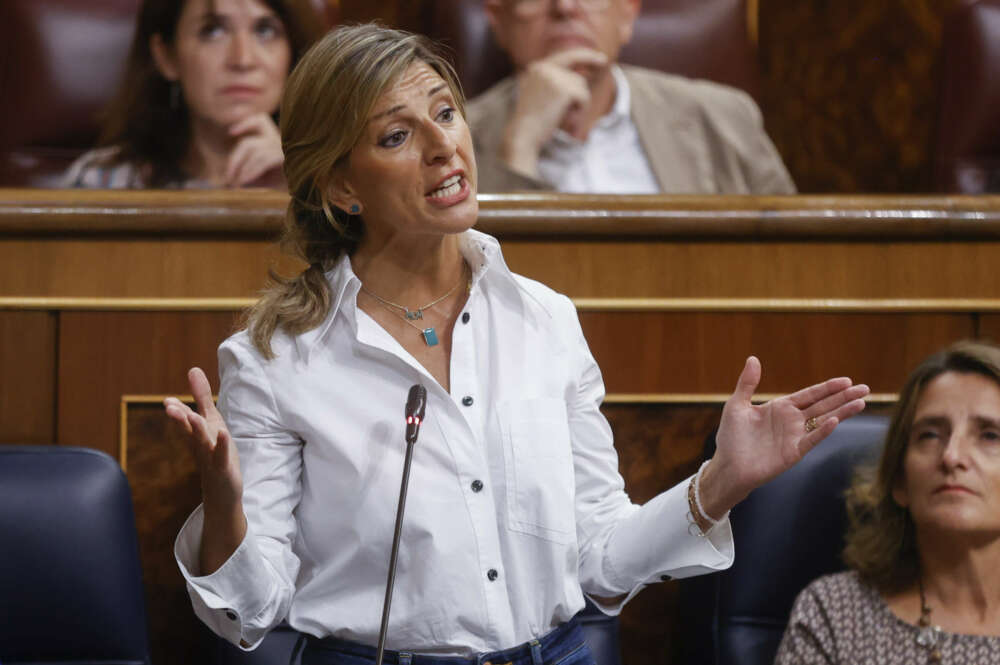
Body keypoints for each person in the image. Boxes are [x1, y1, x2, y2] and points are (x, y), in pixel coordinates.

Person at [164, 24, 868, 663]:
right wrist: (224, 504)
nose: (444, 145)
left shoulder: (546, 319)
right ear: (343, 187)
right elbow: (250, 613)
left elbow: (599, 559)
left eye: (445, 112)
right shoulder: (279, 356)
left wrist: (721, 484)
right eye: (396, 136)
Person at [775, 340, 1000, 664]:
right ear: (899, 480)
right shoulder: (835, 613)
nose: (952, 457)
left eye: (990, 435)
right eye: (930, 435)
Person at [469, 0, 796, 194]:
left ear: (626, 14)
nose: (565, 7)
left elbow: (797, 257)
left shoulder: (723, 117)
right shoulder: (450, 138)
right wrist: (521, 144)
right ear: (499, 20)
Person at [63, 0, 321, 189]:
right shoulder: (104, 180)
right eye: (213, 31)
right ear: (167, 57)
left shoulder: (331, 183)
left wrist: (294, 190)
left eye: (265, 31)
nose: (242, 59)